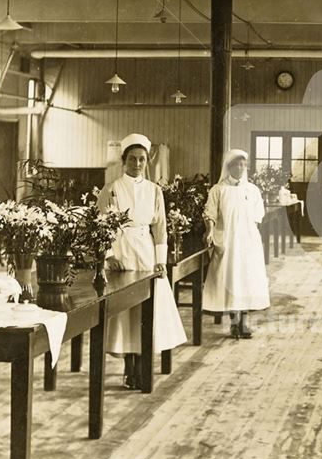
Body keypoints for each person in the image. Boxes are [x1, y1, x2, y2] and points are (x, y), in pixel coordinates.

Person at [97, 133, 188, 389]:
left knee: (147, 309)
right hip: (121, 251)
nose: (137, 164)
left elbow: (160, 228)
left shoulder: (154, 190)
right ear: (124, 160)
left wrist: (161, 260)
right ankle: (129, 367)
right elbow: (100, 226)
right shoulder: (112, 188)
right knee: (125, 312)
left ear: (147, 162)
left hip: (146, 253)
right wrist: (109, 255)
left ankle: (143, 364)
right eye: (133, 159)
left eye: (142, 160)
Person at [202, 149, 270, 339]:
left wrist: (248, 235)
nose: (240, 168)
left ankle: (245, 321)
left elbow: (257, 217)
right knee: (232, 279)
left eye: (243, 164)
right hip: (227, 241)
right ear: (228, 166)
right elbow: (210, 214)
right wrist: (210, 230)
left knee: (246, 279)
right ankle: (234, 321)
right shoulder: (218, 190)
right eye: (236, 164)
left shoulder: (252, 190)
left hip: (247, 241)